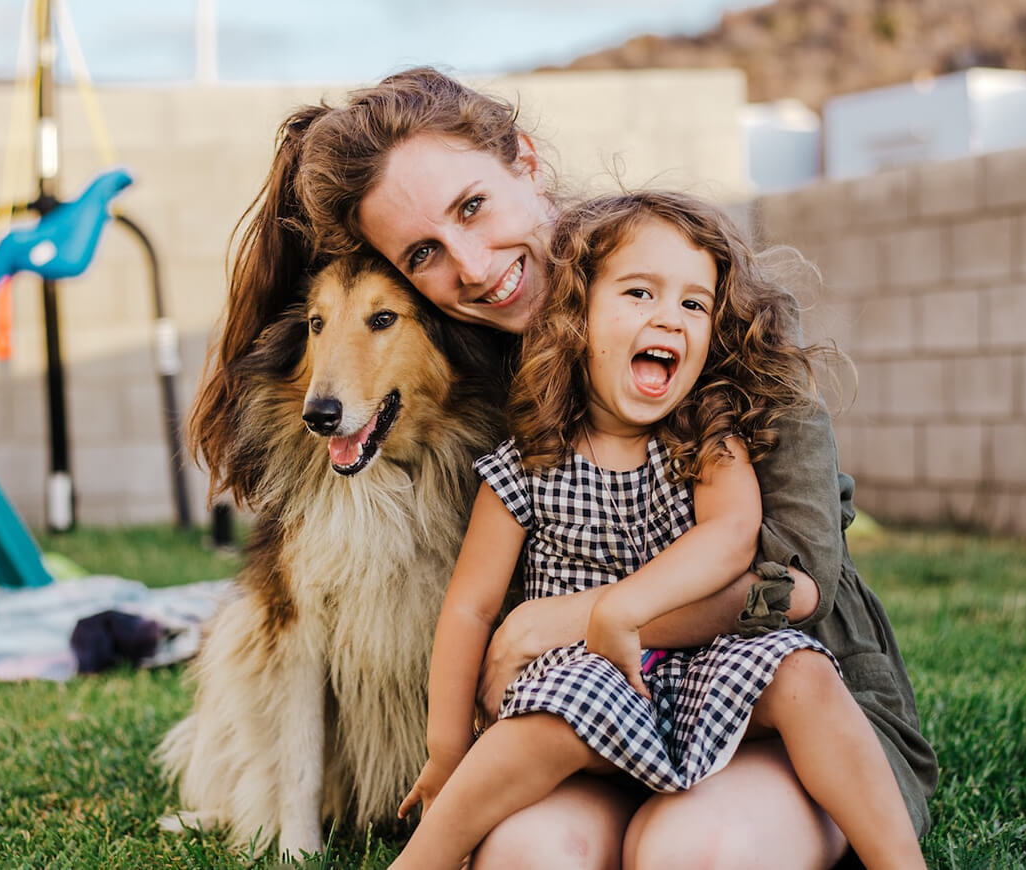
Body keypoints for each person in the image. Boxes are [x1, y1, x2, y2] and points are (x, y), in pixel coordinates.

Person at [190, 67, 937, 869]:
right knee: (530, 856)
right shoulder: (468, 380)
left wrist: (578, 618)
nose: (473, 266)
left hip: (777, 702)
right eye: (425, 252)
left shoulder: (697, 316)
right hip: (582, 714)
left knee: (692, 850)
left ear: (527, 162)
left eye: (472, 205)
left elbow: (791, 585)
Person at [387, 191, 925, 870]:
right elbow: (470, 607)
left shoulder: (706, 437)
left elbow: (756, 558)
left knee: (803, 674)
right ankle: (423, 859)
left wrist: (620, 608)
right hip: (585, 680)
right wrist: (444, 748)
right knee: (541, 727)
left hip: (709, 664)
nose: (669, 317)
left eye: (693, 305)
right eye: (640, 294)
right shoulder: (527, 463)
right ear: (574, 315)